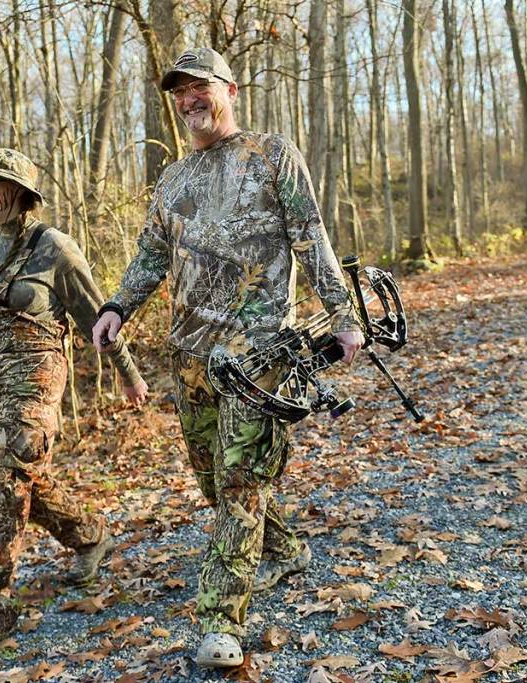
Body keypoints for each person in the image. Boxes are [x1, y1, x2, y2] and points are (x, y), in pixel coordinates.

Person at [92, 48, 365, 668]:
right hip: (188, 355)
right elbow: (151, 257)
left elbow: (311, 238)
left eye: (200, 87)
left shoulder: (271, 155)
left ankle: (221, 621)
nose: (189, 99)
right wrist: (116, 307)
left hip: (259, 353)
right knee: (214, 480)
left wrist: (344, 317)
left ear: (230, 90)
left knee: (241, 484)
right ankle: (285, 549)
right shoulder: (173, 179)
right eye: (180, 91)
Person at [0, 148, 149, 656]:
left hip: (33, 390)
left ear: (21, 191)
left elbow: (98, 318)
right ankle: (90, 535)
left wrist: (129, 375)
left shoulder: (53, 247)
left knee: (1, 484)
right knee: (23, 480)